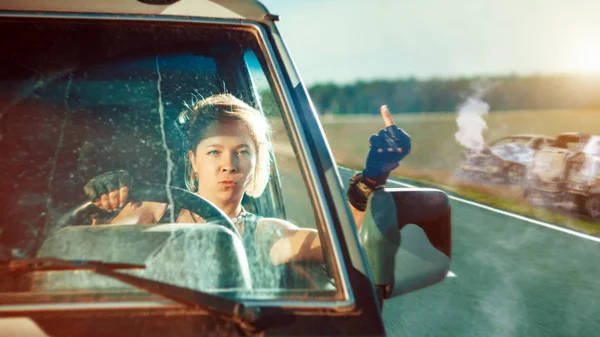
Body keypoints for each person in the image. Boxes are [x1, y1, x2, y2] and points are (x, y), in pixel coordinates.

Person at [83, 93, 410, 271]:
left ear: (256, 162)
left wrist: (373, 176)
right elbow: (80, 267)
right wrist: (103, 210)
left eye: (242, 151)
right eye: (214, 152)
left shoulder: (266, 233)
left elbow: (345, 245)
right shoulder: (154, 213)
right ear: (193, 161)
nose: (229, 164)